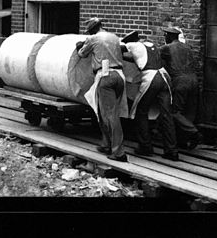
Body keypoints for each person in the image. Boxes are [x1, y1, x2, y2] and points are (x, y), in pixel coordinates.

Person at [75, 17, 128, 162]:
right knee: (105, 111)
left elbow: (81, 54)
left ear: (92, 29)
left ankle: (118, 152)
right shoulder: (115, 37)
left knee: (110, 115)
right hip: (120, 76)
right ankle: (106, 144)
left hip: (106, 76)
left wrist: (79, 45)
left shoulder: (93, 39)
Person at [122, 35, 179, 161]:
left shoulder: (133, 45)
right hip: (164, 77)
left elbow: (119, 50)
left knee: (140, 111)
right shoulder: (151, 45)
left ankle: (145, 146)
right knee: (166, 115)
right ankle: (171, 150)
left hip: (151, 78)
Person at [160, 26, 203, 150]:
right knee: (189, 112)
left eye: (165, 36)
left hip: (180, 81)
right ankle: (186, 140)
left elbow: (153, 57)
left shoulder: (167, 48)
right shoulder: (188, 47)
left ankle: (193, 132)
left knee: (174, 112)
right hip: (194, 80)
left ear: (168, 36)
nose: (164, 38)